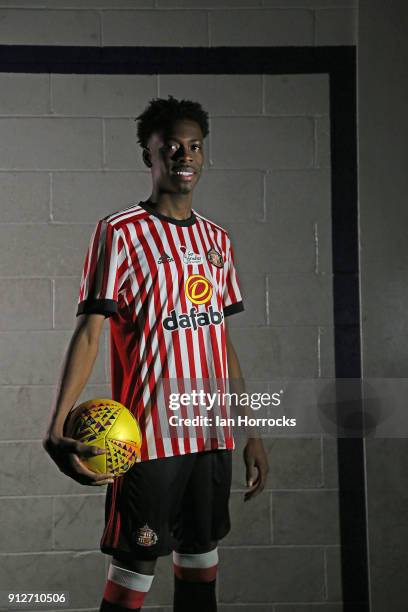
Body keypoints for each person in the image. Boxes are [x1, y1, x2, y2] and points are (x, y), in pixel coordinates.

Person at [43, 95, 269, 612]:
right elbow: (89, 333)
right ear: (149, 155)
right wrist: (56, 425)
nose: (184, 156)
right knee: (132, 579)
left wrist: (252, 430)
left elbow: (220, 342)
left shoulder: (219, 241)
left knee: (200, 570)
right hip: (147, 441)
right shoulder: (119, 232)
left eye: (194, 147)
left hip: (211, 438)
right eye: (171, 147)